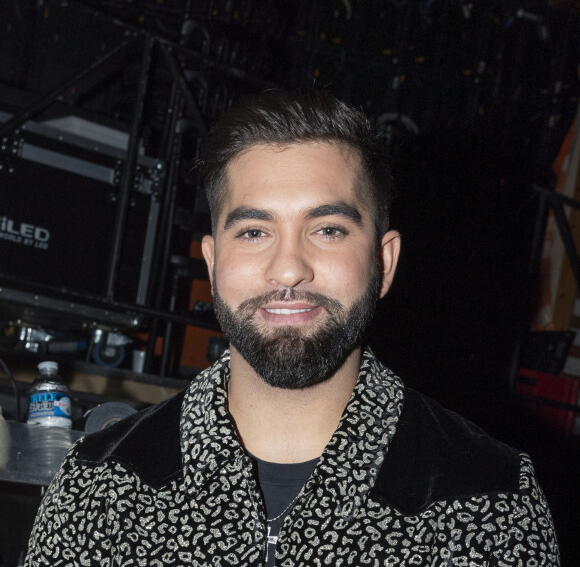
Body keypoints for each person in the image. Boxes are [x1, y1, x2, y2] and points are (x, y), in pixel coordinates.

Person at [26, 89, 560, 566]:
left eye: (327, 229)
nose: (288, 269)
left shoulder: (486, 499)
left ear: (384, 264)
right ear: (212, 264)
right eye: (255, 231)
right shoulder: (101, 487)